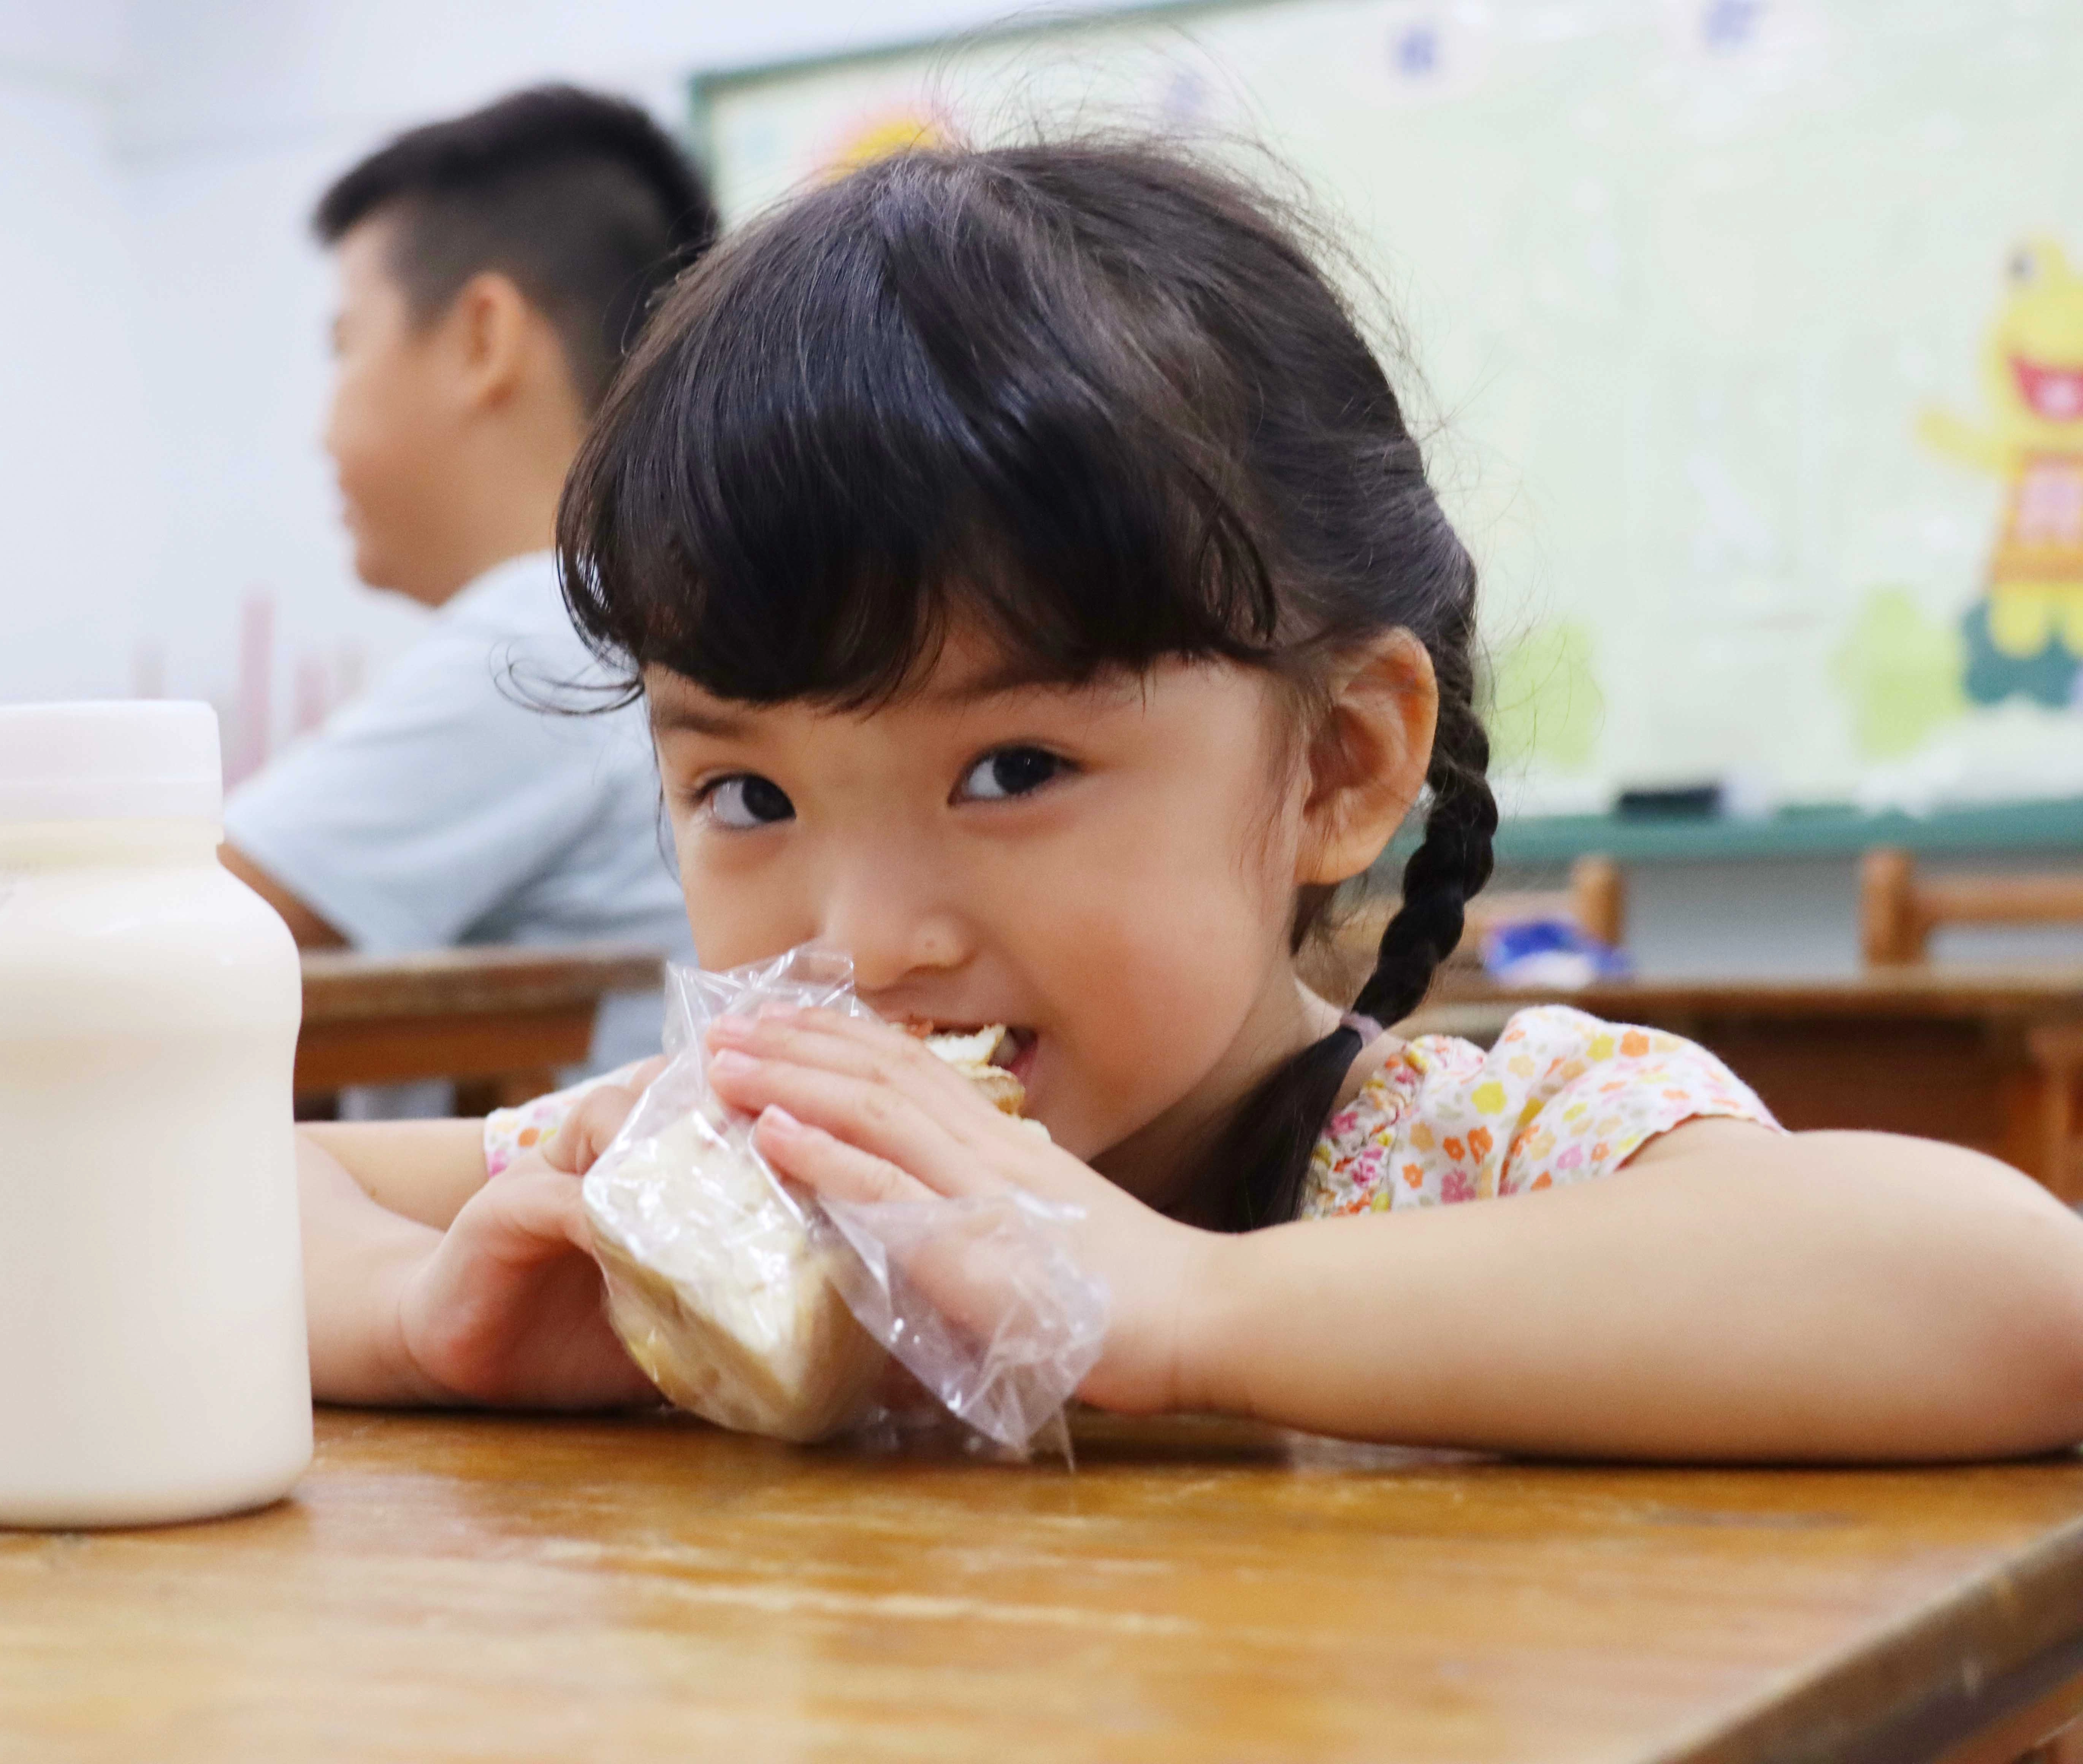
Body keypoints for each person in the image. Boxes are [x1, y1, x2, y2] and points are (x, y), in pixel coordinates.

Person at [287, 142, 2083, 1460]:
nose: (862, 943)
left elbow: (2021, 1301)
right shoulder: (747, 1165)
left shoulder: (1468, 1156)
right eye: (746, 791)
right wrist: (418, 1318)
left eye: (1012, 770)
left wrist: (1169, 1306)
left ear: (1338, 765)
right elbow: (212, 1192)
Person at [220, 87, 713, 1081]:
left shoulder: (549, 633)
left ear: (483, 338)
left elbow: (151, 927)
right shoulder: (642, 607)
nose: (322, 429)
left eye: (345, 347)